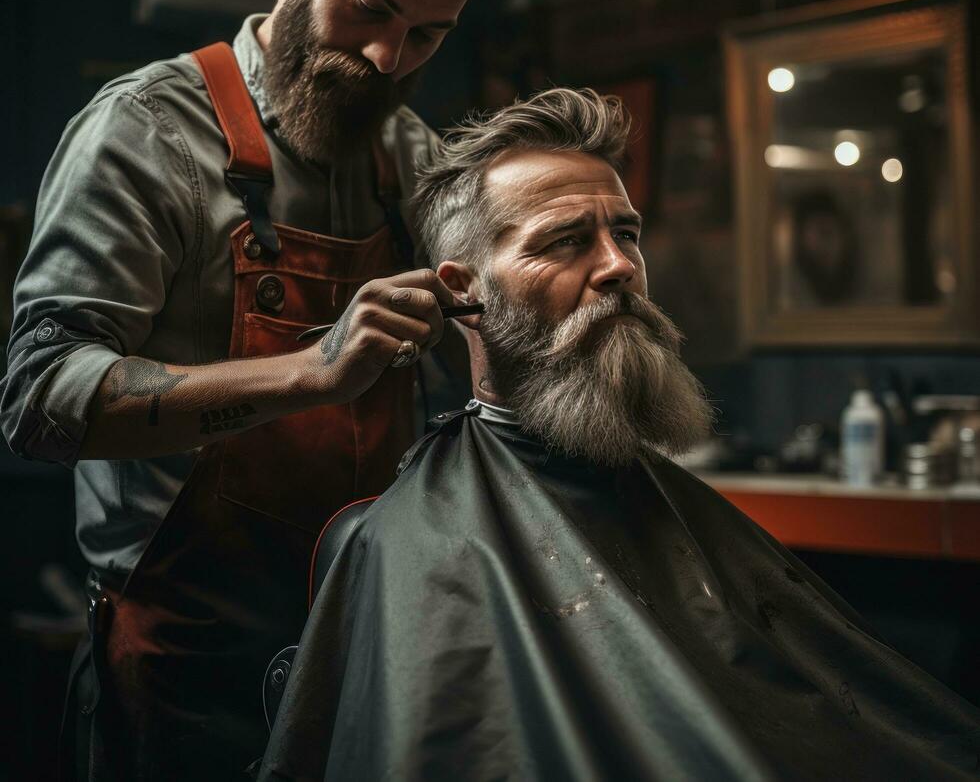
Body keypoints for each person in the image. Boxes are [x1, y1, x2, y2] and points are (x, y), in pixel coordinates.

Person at [259, 88, 980, 782]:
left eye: (625, 234)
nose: (619, 268)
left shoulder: (658, 494)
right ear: (462, 288)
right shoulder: (418, 545)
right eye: (567, 241)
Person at [0, 0, 512, 781]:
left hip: (365, 652)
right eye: (370, 5)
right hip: (184, 672)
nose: (388, 57)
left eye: (428, 35)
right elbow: (37, 400)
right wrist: (309, 372)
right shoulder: (145, 133)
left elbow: (485, 369)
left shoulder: (411, 162)